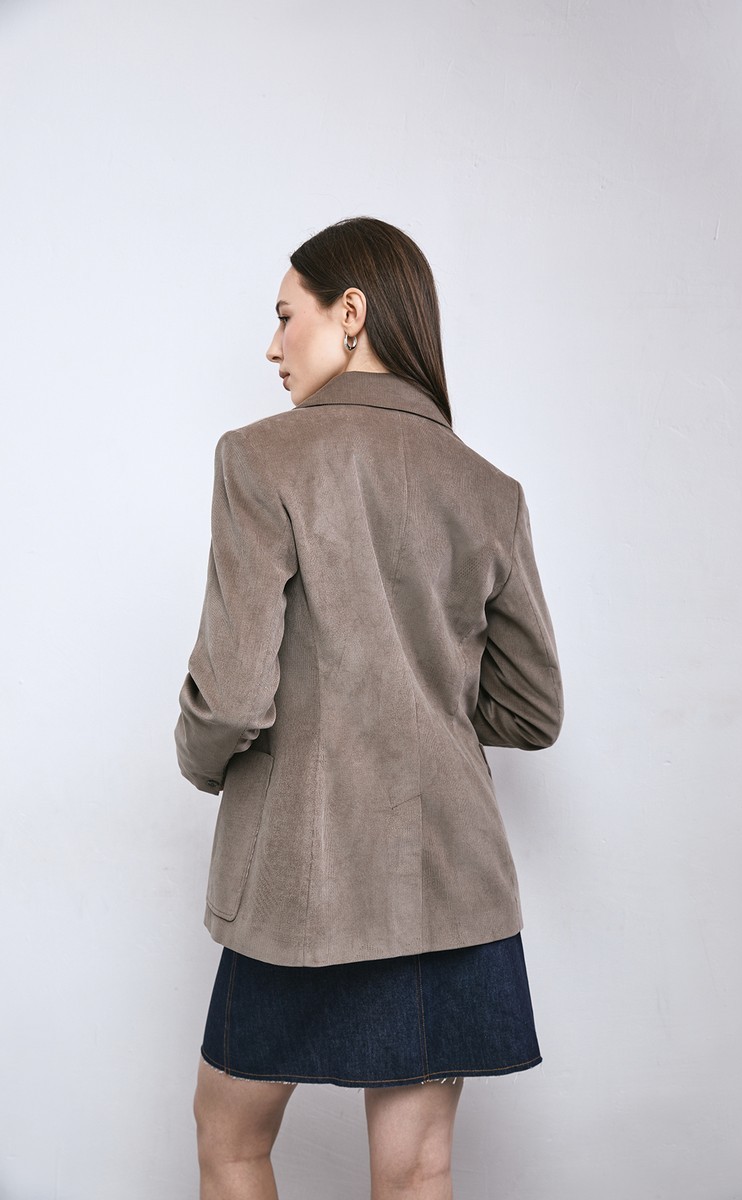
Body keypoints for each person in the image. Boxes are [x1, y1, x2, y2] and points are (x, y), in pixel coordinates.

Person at [174, 216, 565, 1200]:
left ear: (349, 312)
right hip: (446, 882)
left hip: (299, 881)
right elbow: (531, 709)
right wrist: (416, 709)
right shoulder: (489, 490)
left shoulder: (261, 459)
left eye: (285, 316)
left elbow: (232, 696)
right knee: (418, 1169)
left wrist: (198, 756)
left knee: (230, 1140)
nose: (272, 347)